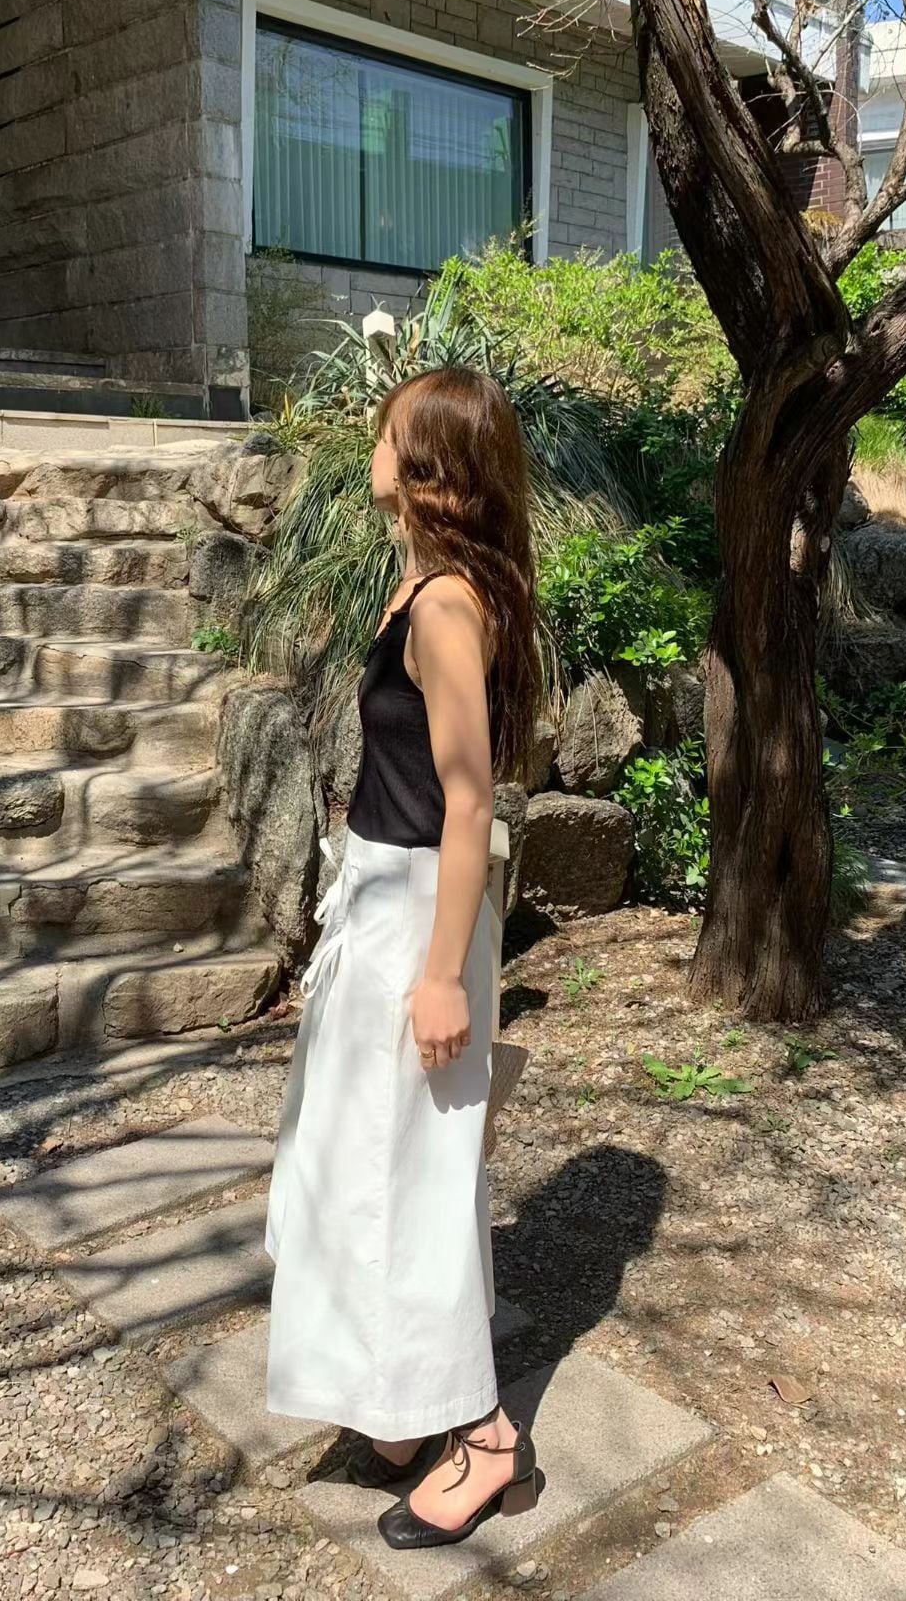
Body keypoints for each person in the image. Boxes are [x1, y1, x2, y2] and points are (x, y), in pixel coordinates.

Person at [264, 364, 544, 1551]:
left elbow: (470, 803)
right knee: (355, 1160)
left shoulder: (443, 610)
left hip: (422, 914)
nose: (368, 448)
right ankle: (400, 1399)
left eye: (385, 434)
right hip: (381, 903)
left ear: (424, 466)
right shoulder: (420, 586)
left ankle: (485, 1437)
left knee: (416, 1177)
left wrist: (439, 976)